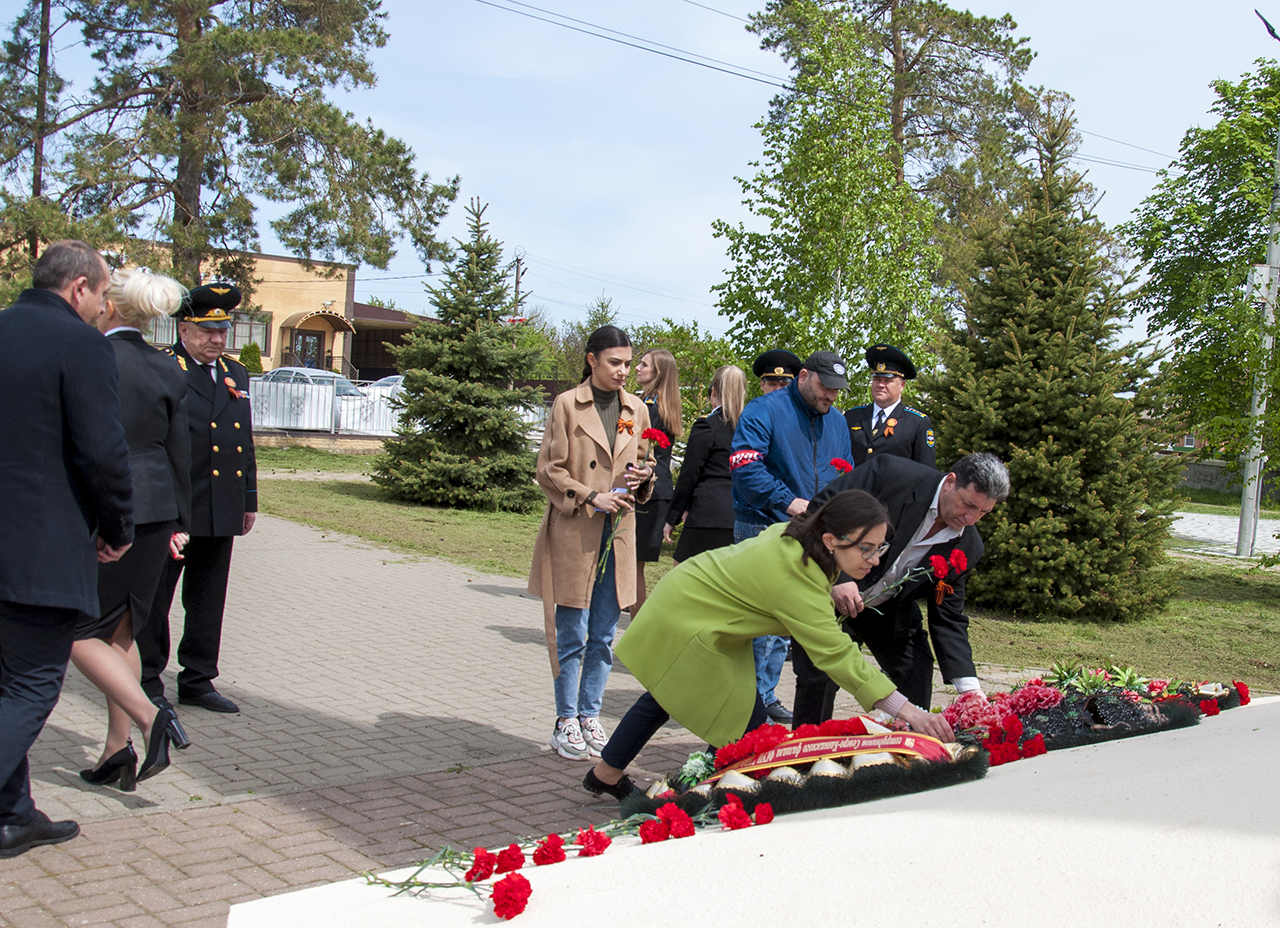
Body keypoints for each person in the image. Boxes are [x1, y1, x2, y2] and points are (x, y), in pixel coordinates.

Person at [582, 489, 956, 800]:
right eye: (866, 549)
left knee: (672, 696)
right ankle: (697, 793)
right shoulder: (795, 578)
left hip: (690, 601)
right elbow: (838, 655)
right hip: (689, 622)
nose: (875, 560)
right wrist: (910, 713)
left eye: (880, 547)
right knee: (751, 733)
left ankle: (606, 774)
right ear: (831, 540)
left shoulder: (796, 538)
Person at [0, 240, 134, 857]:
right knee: (30, 687)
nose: (103, 308)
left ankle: (16, 815)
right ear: (79, 287)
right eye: (103, 295)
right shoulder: (80, 344)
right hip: (39, 550)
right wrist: (118, 528)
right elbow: (102, 452)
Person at [71, 270, 194, 790]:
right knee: (120, 631)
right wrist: (180, 523)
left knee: (70, 630)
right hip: (159, 507)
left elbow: (87, 446)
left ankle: (149, 716)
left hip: (106, 508)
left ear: (111, 308)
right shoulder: (168, 369)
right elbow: (179, 452)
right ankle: (114, 752)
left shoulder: (93, 357)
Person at [791, 453, 1009, 726]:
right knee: (819, 675)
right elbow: (819, 512)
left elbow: (949, 617)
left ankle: (905, 749)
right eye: (967, 504)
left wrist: (971, 691)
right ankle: (805, 752)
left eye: (983, 512)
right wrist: (839, 576)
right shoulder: (890, 474)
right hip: (829, 592)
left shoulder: (968, 546)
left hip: (886, 609)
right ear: (951, 482)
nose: (971, 518)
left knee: (916, 667)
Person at [528, 326, 656, 762]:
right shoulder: (568, 404)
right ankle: (565, 720)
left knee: (603, 633)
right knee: (572, 632)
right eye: (615, 362)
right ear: (592, 360)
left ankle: (590, 715)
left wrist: (644, 480)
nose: (623, 371)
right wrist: (590, 494)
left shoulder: (636, 409)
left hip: (618, 533)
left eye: (627, 363)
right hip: (576, 529)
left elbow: (646, 462)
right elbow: (549, 469)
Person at [138, 284, 257, 715]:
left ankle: (198, 678)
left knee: (208, 597)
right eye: (208, 331)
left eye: (223, 330)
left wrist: (248, 499)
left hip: (221, 501)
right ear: (184, 329)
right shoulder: (163, 367)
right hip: (175, 505)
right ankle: (147, 680)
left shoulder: (235, 374)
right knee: (156, 598)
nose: (218, 340)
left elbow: (243, 439)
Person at [730, 350, 854, 724]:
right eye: (825, 386)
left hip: (815, 533)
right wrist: (789, 502)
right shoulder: (765, 410)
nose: (830, 396)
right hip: (764, 525)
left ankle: (765, 697)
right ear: (803, 376)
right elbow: (744, 466)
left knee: (787, 628)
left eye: (837, 390)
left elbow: (846, 477)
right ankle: (740, 711)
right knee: (758, 626)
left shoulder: (838, 423)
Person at [662, 365, 746, 563]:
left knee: (682, 577)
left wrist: (671, 518)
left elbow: (689, 474)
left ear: (714, 392)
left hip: (708, 513)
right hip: (740, 515)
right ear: (742, 392)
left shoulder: (707, 426)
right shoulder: (752, 429)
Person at [632, 348, 683, 615]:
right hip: (656, 488)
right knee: (632, 564)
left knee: (632, 565)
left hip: (647, 489)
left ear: (659, 372)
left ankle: (636, 633)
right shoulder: (659, 402)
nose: (637, 368)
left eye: (644, 364)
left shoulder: (650, 406)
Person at [846, 344, 935, 468]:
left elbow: (927, 472)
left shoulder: (917, 423)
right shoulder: (852, 416)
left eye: (888, 381)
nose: (881, 385)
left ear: (902, 385)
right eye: (877, 379)